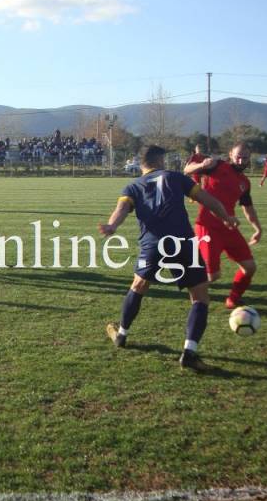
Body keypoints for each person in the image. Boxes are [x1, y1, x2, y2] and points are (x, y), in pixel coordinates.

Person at [98, 145, 238, 371]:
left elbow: (122, 209)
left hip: (153, 244)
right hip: (183, 242)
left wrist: (112, 226)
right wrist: (227, 217)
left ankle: (121, 334)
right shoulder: (176, 177)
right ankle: (189, 352)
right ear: (160, 161)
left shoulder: (133, 186)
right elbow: (208, 200)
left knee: (138, 286)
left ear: (142, 163)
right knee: (200, 296)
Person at [184, 143, 262, 309]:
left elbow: (247, 207)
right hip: (207, 226)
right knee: (212, 275)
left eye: (245, 157)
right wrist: (201, 165)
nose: (241, 160)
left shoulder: (245, 182)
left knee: (250, 267)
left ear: (249, 158)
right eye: (238, 156)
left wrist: (257, 228)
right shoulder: (217, 165)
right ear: (231, 154)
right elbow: (187, 170)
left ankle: (233, 299)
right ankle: (191, 286)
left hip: (229, 227)